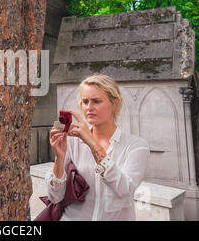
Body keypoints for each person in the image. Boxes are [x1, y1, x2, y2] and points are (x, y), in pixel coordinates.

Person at [45, 74, 150, 221]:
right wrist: (59, 157)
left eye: (96, 101)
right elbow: (55, 197)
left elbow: (124, 190)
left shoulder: (136, 147)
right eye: (85, 102)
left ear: (115, 103)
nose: (89, 108)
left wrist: (92, 143)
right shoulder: (72, 141)